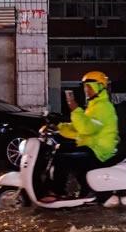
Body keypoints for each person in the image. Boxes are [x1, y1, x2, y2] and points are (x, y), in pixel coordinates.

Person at [46, 71, 119, 200]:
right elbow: (78, 128)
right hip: (91, 146)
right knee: (61, 149)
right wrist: (59, 126)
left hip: (99, 151)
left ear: (100, 87)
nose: (86, 90)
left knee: (62, 157)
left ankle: (57, 192)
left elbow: (86, 128)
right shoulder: (93, 106)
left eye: (90, 87)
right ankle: (86, 189)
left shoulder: (103, 107)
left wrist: (74, 108)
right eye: (85, 87)